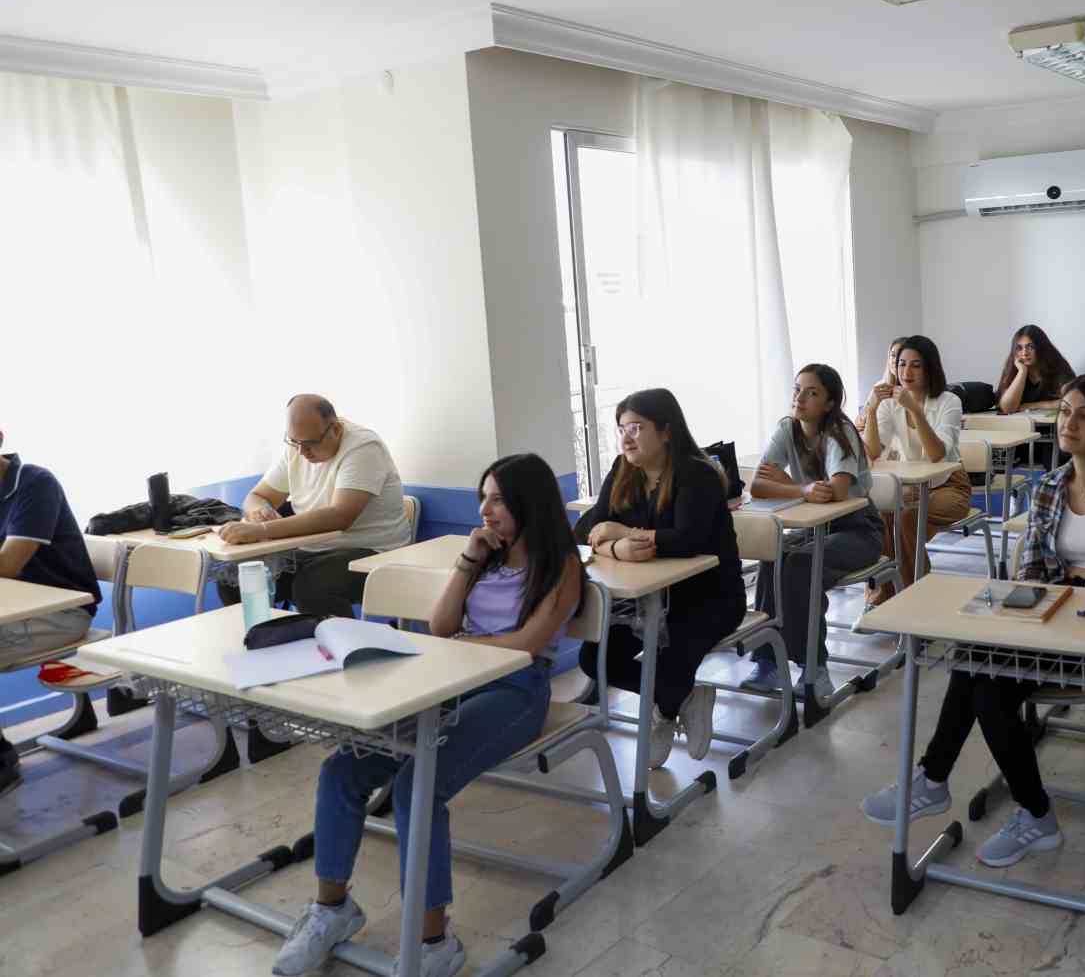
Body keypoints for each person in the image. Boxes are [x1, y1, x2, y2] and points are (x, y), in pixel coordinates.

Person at [271, 452, 583, 977]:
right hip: (451, 682)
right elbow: (440, 627)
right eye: (482, 498)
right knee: (342, 769)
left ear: (529, 504)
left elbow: (527, 646)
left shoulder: (561, 566)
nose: (484, 510)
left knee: (420, 783)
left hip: (516, 690)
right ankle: (332, 910)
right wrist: (468, 561)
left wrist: (465, 646)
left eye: (498, 500)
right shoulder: (485, 558)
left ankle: (433, 941)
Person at [860, 375, 1085, 866]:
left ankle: (951, 785)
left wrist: (1062, 593)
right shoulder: (1050, 486)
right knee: (976, 660)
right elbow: (1029, 574)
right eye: (1065, 411)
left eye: (1084, 415)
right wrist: (1048, 594)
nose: (1068, 423)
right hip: (1050, 626)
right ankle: (971, 793)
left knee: (985, 680)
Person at [574, 389, 744, 767]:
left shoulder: (697, 473)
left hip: (710, 598)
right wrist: (616, 548)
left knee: (670, 659)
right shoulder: (623, 469)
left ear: (666, 431)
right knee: (595, 656)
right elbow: (586, 529)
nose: (626, 437)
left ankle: (664, 709)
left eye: (636, 427)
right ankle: (685, 698)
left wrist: (621, 532)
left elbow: (686, 540)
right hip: (646, 599)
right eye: (622, 429)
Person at [748, 365, 885, 695]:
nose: (800, 397)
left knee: (801, 564)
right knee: (773, 556)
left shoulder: (840, 431)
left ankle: (815, 670)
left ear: (829, 403)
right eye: (797, 389)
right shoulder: (787, 428)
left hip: (859, 529)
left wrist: (791, 485)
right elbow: (758, 486)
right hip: (814, 528)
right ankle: (768, 663)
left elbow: (837, 491)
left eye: (812, 393)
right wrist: (803, 490)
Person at [217, 395, 410, 618]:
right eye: (294, 442)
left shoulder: (364, 447)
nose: (301, 452)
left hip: (374, 552)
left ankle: (341, 640)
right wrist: (259, 512)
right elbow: (257, 496)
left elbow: (340, 516)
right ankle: (265, 636)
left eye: (310, 443)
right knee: (235, 578)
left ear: (335, 429)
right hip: (312, 550)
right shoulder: (298, 446)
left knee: (312, 586)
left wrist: (262, 530)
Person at [0, 430, 102, 796]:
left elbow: (9, 564)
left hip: (64, 613)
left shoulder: (34, 482)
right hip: (15, 612)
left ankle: (2, 761)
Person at [862, 335, 971, 601]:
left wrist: (915, 411)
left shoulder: (949, 401)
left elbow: (936, 454)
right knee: (882, 514)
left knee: (908, 517)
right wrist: (872, 410)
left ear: (930, 368)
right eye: (901, 364)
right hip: (910, 484)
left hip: (948, 485)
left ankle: (913, 597)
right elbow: (873, 451)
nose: (906, 372)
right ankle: (887, 594)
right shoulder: (889, 403)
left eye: (915, 365)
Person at [995, 325, 1075, 415]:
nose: (1024, 353)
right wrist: (1022, 372)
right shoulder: (1012, 369)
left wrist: (1032, 405)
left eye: (1030, 347)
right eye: (1019, 348)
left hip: (1050, 423)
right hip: (1020, 423)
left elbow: (1072, 401)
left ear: (1041, 348)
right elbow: (1007, 408)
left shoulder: (1058, 367)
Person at [855, 337, 907, 433]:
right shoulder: (880, 385)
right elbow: (861, 418)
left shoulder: (911, 390)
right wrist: (861, 420)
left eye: (900, 356)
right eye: (893, 355)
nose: (895, 360)